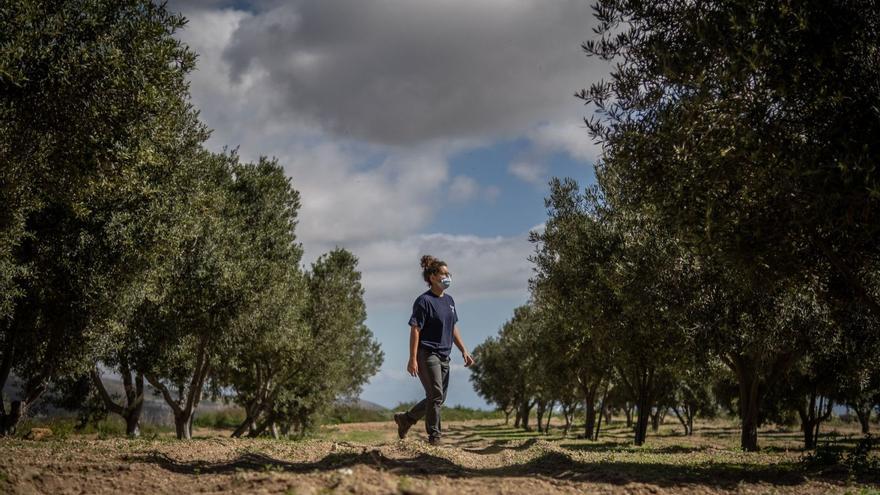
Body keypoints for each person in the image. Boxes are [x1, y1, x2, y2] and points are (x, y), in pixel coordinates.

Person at [393, 255, 475, 445]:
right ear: (432, 277)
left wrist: (464, 350)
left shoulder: (450, 301)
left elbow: (452, 327)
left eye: (449, 273)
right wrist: (412, 358)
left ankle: (406, 419)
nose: (448, 276)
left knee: (437, 397)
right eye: (444, 273)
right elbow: (415, 329)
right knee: (436, 395)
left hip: (445, 355)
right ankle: (435, 436)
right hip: (427, 354)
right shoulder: (423, 301)